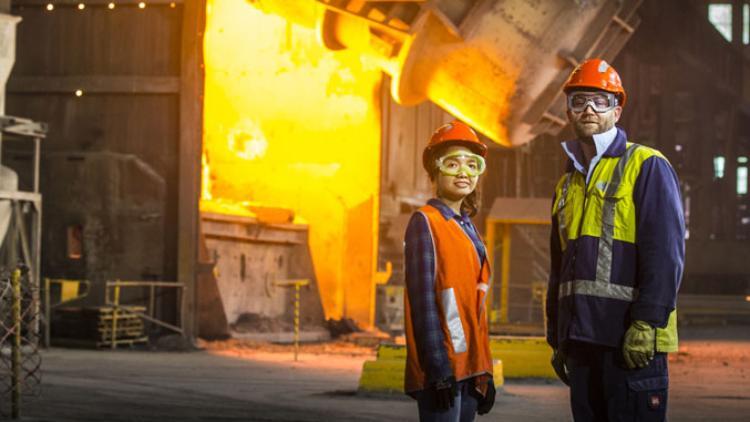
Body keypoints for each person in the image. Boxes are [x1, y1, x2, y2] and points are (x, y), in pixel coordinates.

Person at [546, 58, 685, 421]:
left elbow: (666, 255)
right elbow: (558, 268)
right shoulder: (568, 183)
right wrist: (557, 336)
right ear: (568, 111)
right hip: (581, 343)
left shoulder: (646, 165)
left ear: (617, 110)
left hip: (629, 342)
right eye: (579, 101)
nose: (589, 108)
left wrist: (647, 324)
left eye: (600, 100)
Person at [403, 120, 496, 422]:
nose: (463, 172)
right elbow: (423, 303)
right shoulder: (425, 222)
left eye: (472, 165)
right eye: (452, 163)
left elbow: (473, 308)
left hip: (470, 365)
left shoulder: (468, 228)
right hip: (443, 367)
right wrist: (437, 367)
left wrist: (486, 370)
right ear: (434, 170)